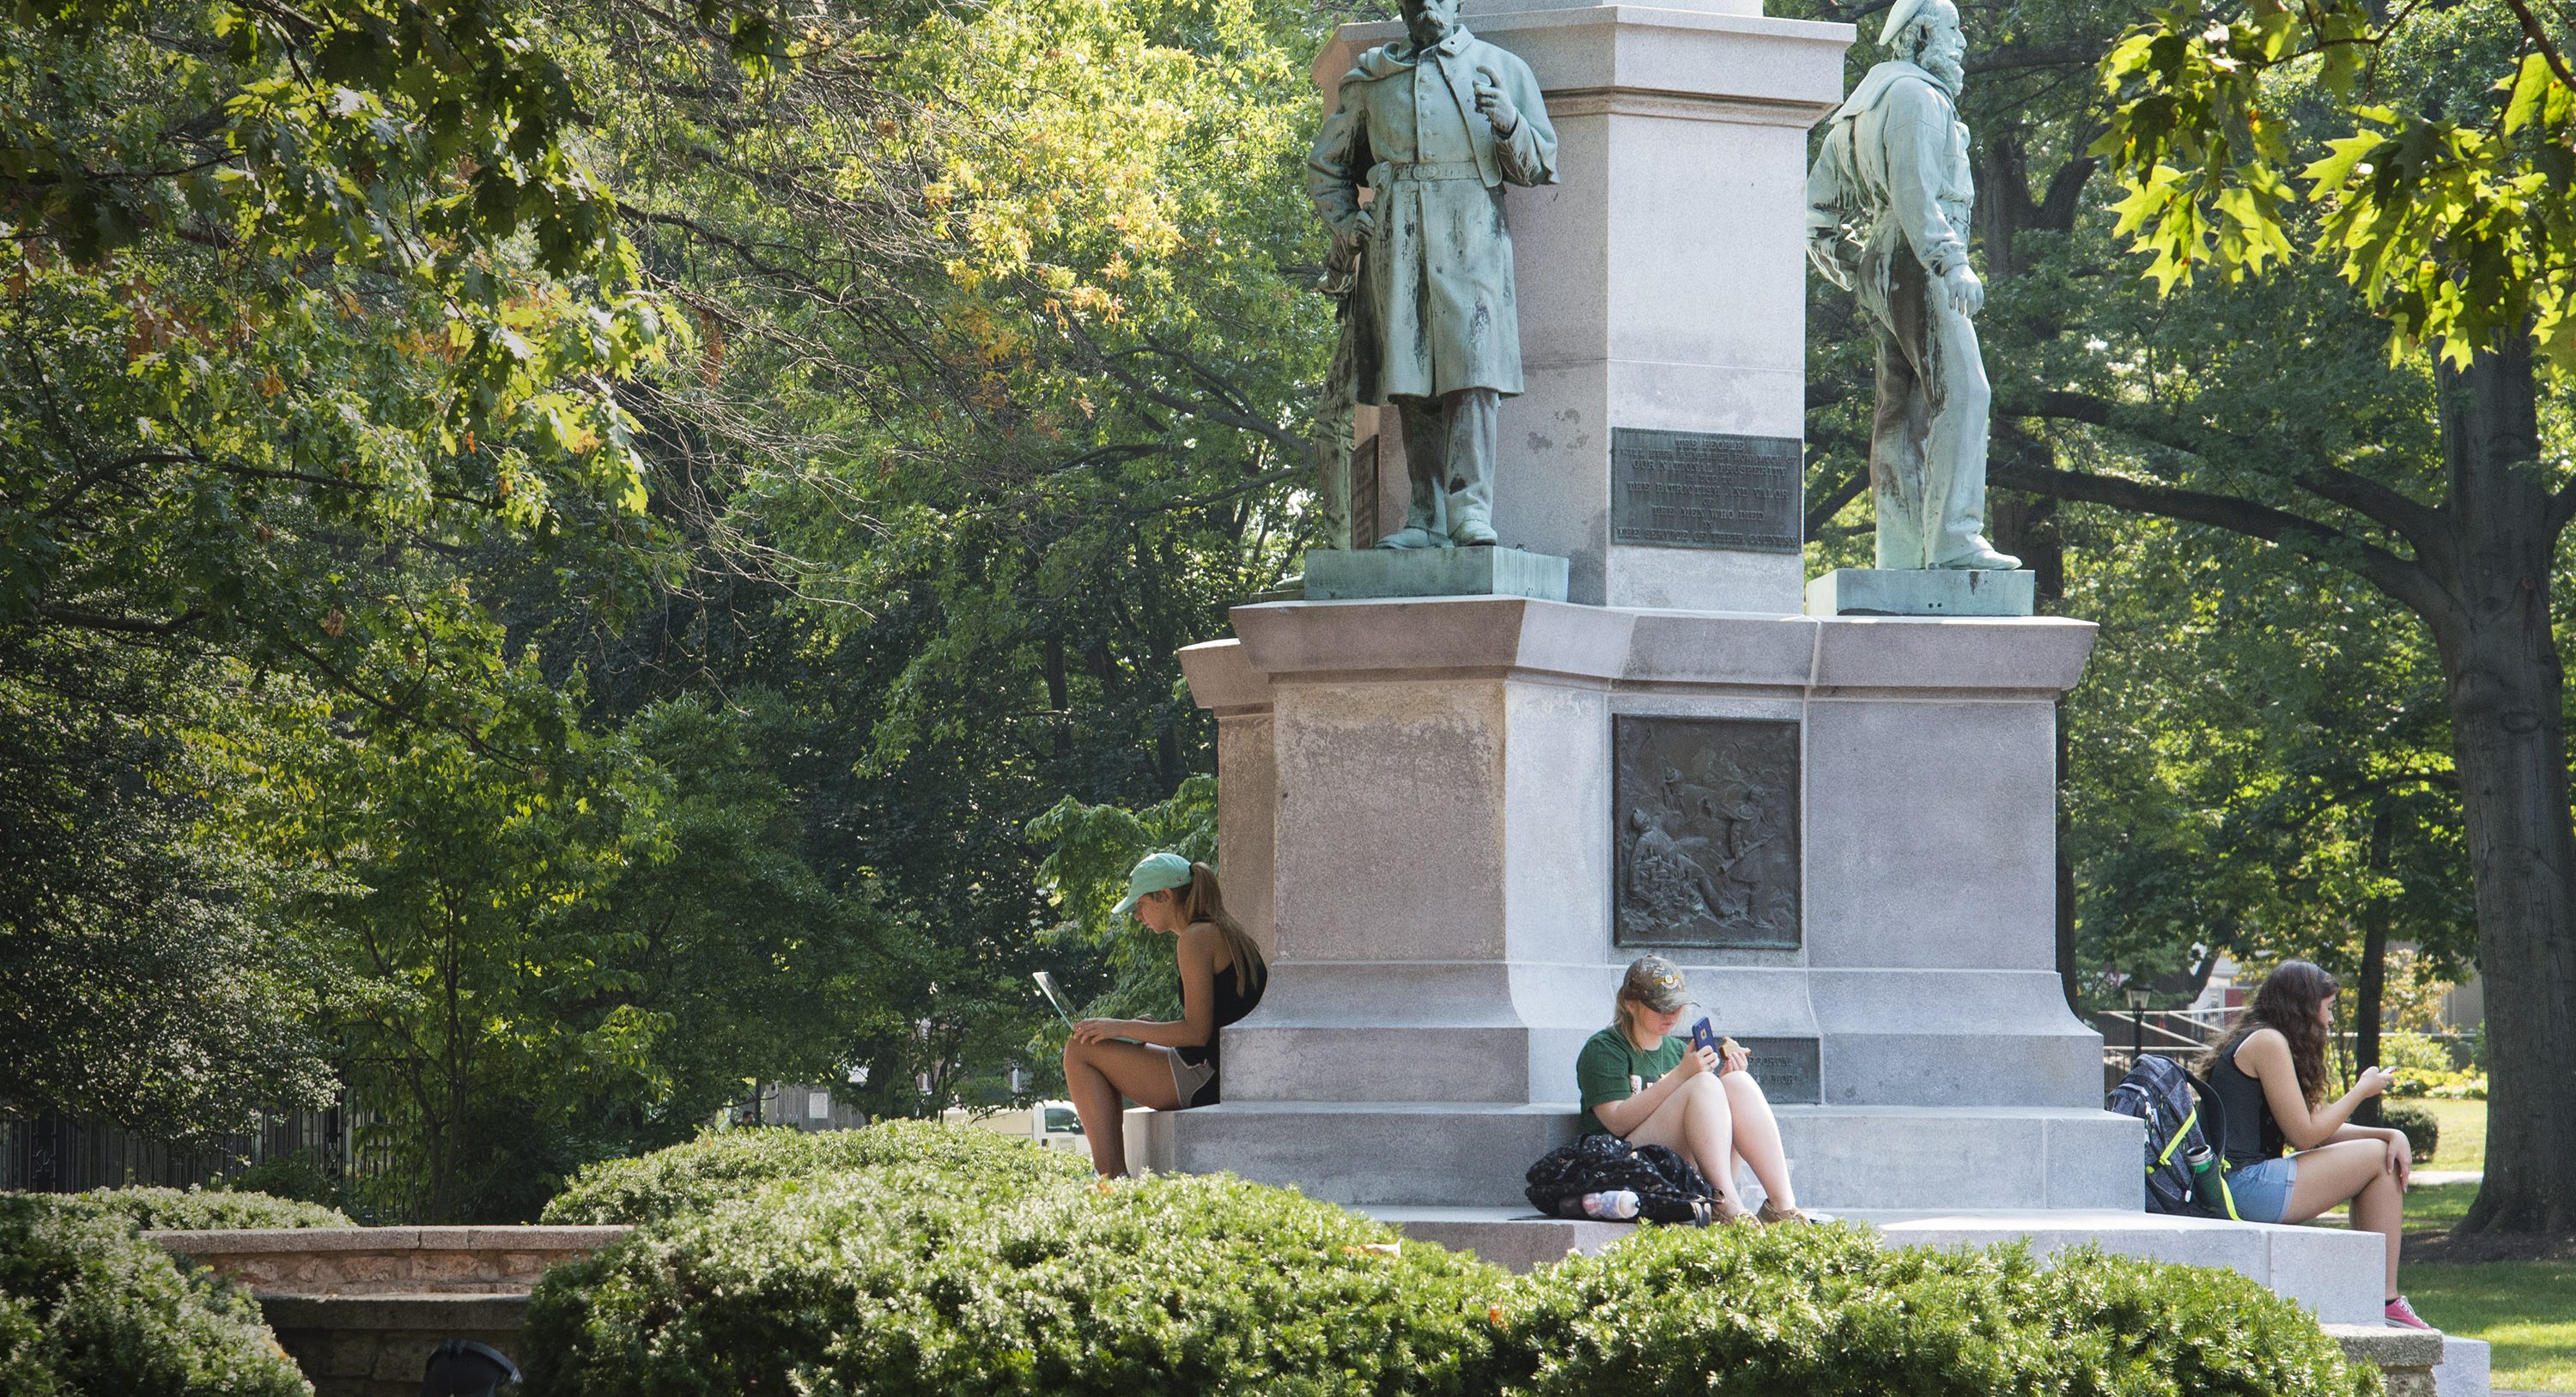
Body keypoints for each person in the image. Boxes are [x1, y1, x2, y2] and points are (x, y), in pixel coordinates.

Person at [1305, 0, 1557, 549]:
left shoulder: (1502, 68)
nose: (1430, 8)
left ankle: (1471, 510)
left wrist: (1508, 120)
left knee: (1474, 370)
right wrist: (1348, 224)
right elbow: (1327, 165)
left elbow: (1539, 166)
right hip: (1400, 238)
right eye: (1418, 0)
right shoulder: (1373, 77)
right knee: (1410, 376)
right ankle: (1425, 512)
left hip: (1473, 235)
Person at [1804, 0, 2020, 571]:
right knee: (1965, 391)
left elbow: (1816, 215)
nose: (1963, 44)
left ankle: (1900, 553)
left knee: (1900, 409)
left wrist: (1859, 267)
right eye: (1952, 32)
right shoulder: (1917, 99)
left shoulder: (1857, 110)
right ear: (1917, 37)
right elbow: (1916, 196)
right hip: (1918, 258)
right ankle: (1954, 538)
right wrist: (1951, 263)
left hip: (1884, 262)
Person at [2199, 959, 2428, 1329]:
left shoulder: (2266, 1039)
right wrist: (2361, 1091)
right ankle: (2384, 1299)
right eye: (2329, 1008)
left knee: (2381, 1154)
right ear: (2305, 1006)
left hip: (2246, 1183)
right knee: (2377, 1159)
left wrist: (2389, 1135)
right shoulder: (2268, 1042)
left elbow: (2316, 1128)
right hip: (2243, 1186)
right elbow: (2306, 1135)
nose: (2331, 1020)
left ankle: (2383, 1297)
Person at [1061, 853, 1269, 1177]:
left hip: (1207, 1077)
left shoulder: (1195, 939)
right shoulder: (1222, 931)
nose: (1137, 916)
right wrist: (1146, 1031)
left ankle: (1111, 1181)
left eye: (1140, 905)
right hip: (1223, 1070)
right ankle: (1111, 1177)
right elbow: (1212, 1025)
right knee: (1092, 1046)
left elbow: (1196, 1033)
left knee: (1080, 1049)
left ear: (1165, 896)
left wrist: (1121, 1027)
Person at [1576, 954, 1806, 1223]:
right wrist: (1682, 1076)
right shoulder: (1604, 1048)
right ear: (1630, 1005)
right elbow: (1615, 1122)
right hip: (1622, 1167)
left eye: (1676, 1006)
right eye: (1660, 1007)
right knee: (1706, 1085)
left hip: (1685, 1166)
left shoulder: (1677, 1050)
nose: (1671, 1015)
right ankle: (1725, 1206)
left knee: (1736, 1083)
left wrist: (1721, 1088)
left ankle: (1781, 1208)